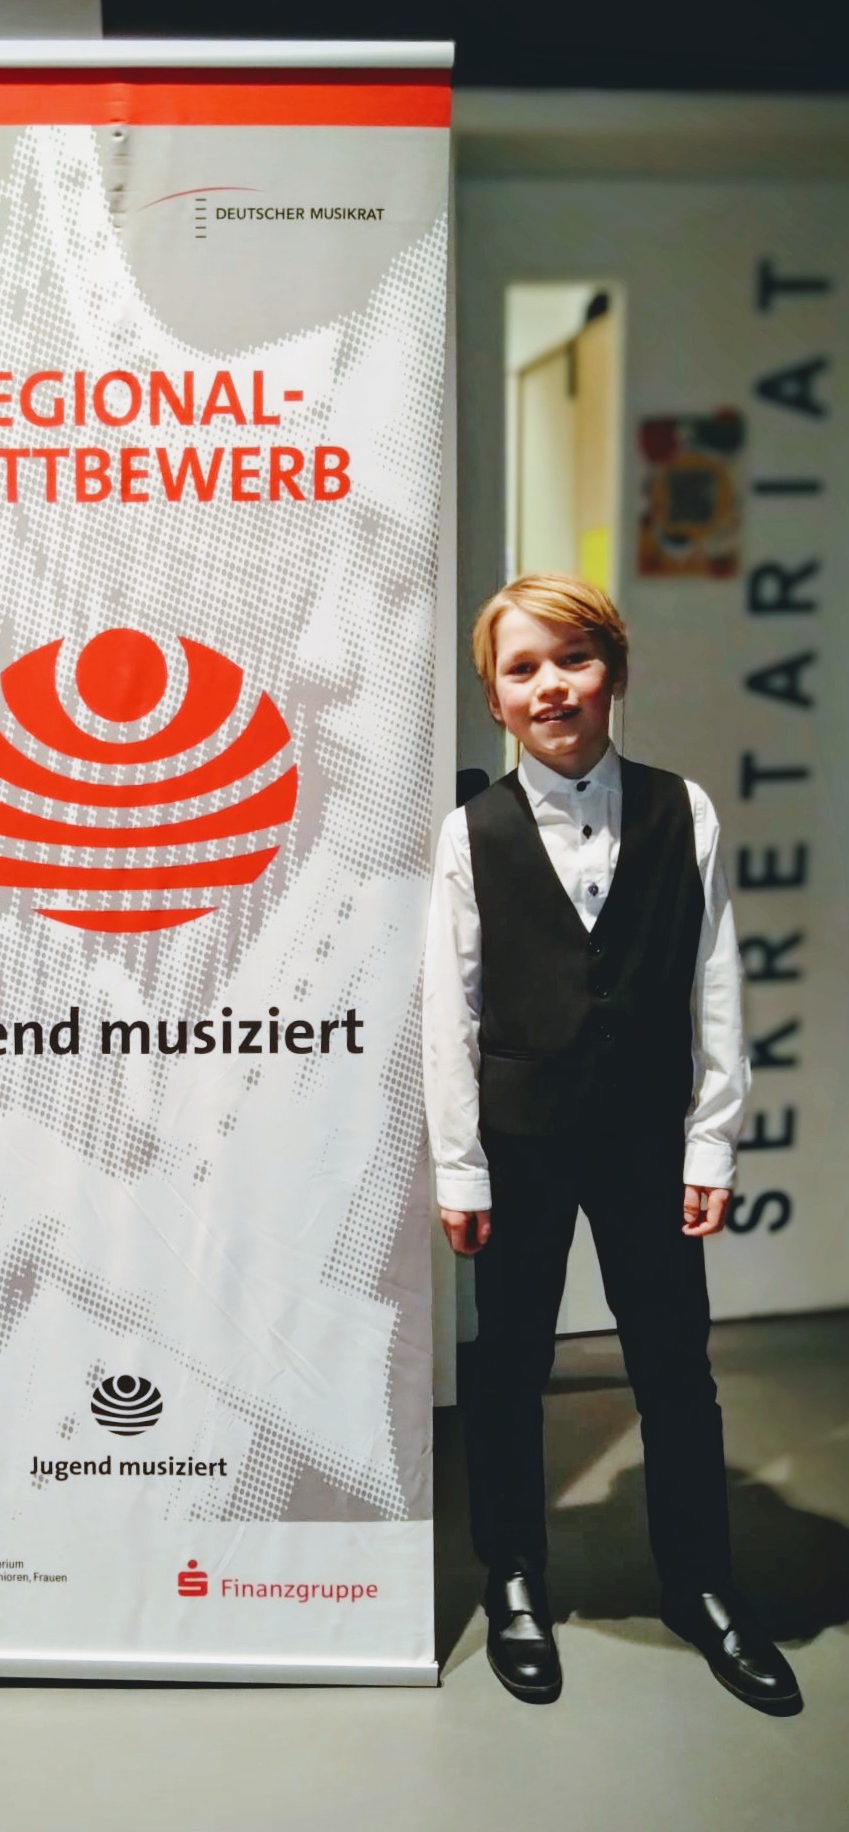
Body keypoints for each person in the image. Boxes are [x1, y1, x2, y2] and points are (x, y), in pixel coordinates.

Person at [422, 572, 802, 1714]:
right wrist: (460, 1163)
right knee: (509, 1363)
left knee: (675, 1366)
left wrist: (711, 1142)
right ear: (495, 698)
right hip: (520, 1142)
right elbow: (450, 1008)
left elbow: (716, 982)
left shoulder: (685, 811)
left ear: (614, 673)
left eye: (573, 659)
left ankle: (701, 1582)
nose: (551, 686)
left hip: (645, 1140)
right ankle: (515, 1577)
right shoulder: (471, 832)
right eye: (523, 668)